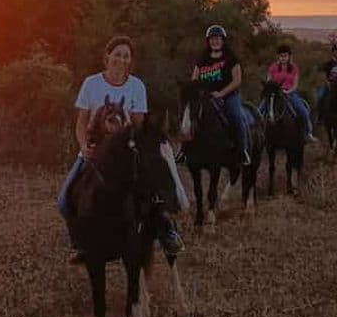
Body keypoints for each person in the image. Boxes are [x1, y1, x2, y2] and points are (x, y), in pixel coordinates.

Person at [57, 35, 183, 264]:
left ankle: (168, 232)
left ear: (130, 61)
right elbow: (81, 122)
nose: (121, 59)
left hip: (126, 153)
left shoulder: (136, 86)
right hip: (94, 152)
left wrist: (123, 130)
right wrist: (84, 146)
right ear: (107, 57)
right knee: (64, 200)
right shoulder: (91, 84)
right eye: (117, 54)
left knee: (153, 194)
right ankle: (81, 243)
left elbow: (138, 125)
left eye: (126, 56)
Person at [191, 24, 252, 165]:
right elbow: (194, 79)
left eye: (218, 38)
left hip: (229, 95)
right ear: (208, 41)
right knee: (191, 116)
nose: (215, 41)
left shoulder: (231, 58)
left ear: (223, 40)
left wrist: (221, 93)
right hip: (207, 96)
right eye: (212, 39)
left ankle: (243, 151)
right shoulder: (202, 59)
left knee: (236, 116)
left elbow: (237, 80)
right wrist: (199, 92)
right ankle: (185, 151)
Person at [259, 44, 317, 143]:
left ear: (289, 56)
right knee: (259, 110)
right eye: (281, 56)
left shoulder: (294, 68)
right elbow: (269, 82)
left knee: (303, 111)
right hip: (274, 93)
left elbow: (295, 84)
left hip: (289, 93)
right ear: (278, 56)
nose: (283, 58)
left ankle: (308, 133)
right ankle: (258, 134)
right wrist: (274, 90)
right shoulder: (273, 67)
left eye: (285, 56)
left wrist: (287, 91)